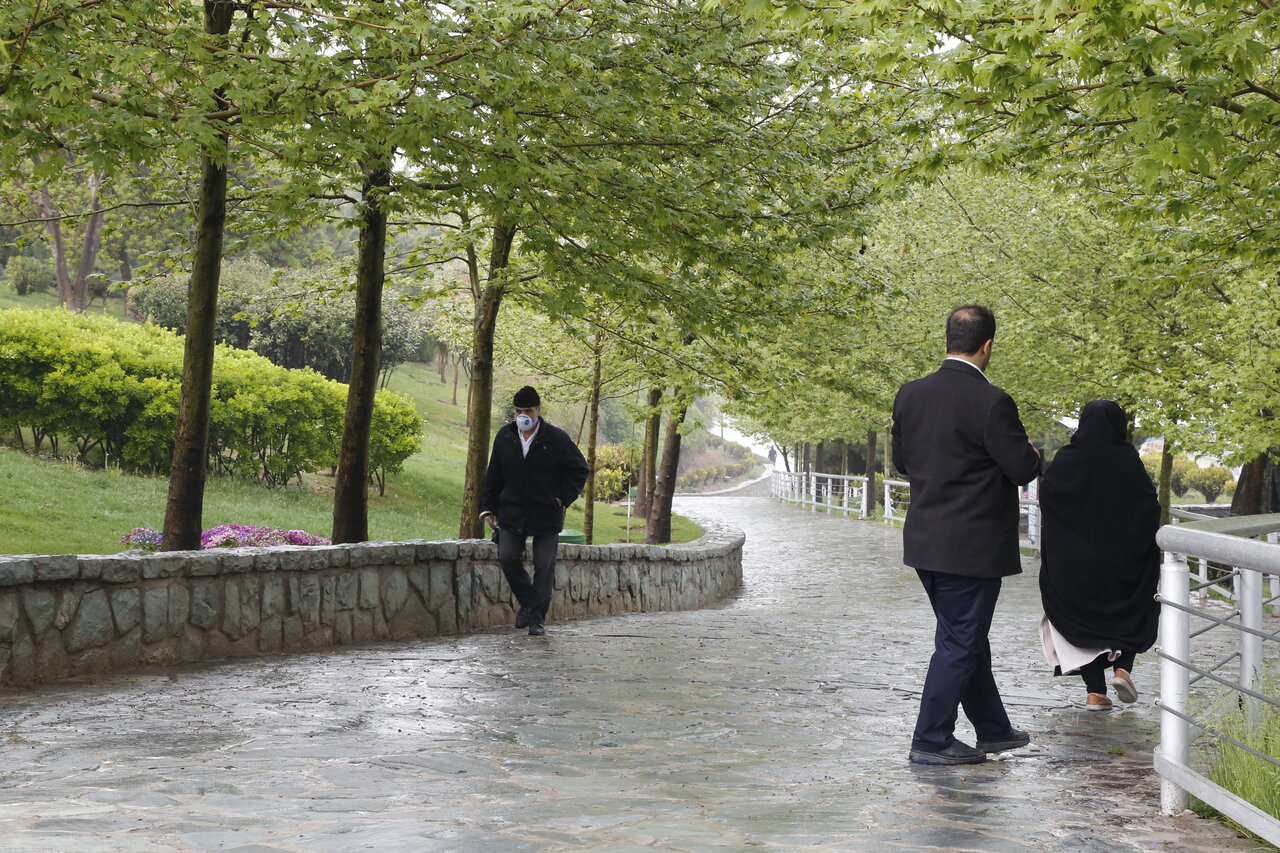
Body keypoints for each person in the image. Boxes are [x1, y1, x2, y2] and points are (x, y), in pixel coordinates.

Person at [891, 305, 1042, 765]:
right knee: (959, 641)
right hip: (971, 547)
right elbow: (1021, 467)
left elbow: (902, 462)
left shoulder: (910, 394)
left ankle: (993, 728)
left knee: (966, 635)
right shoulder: (992, 401)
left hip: (925, 540)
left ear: (947, 339)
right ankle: (931, 739)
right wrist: (1031, 451)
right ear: (988, 345)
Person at [1038, 400, 1160, 711]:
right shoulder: (1127, 460)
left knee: (1078, 623)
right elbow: (1150, 506)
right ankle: (1123, 670)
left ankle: (1095, 692)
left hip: (1073, 567)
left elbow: (1048, 497)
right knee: (1133, 609)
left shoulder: (1067, 459)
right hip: (1121, 562)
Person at [480, 386, 589, 636]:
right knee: (507, 557)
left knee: (544, 565)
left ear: (538, 410)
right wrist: (488, 509)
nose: (523, 416)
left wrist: (561, 498)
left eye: (527, 410)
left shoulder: (557, 439)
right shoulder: (504, 438)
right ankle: (530, 603)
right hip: (511, 512)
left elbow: (580, 469)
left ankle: (536, 620)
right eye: (518, 411)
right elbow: (493, 475)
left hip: (545, 513)